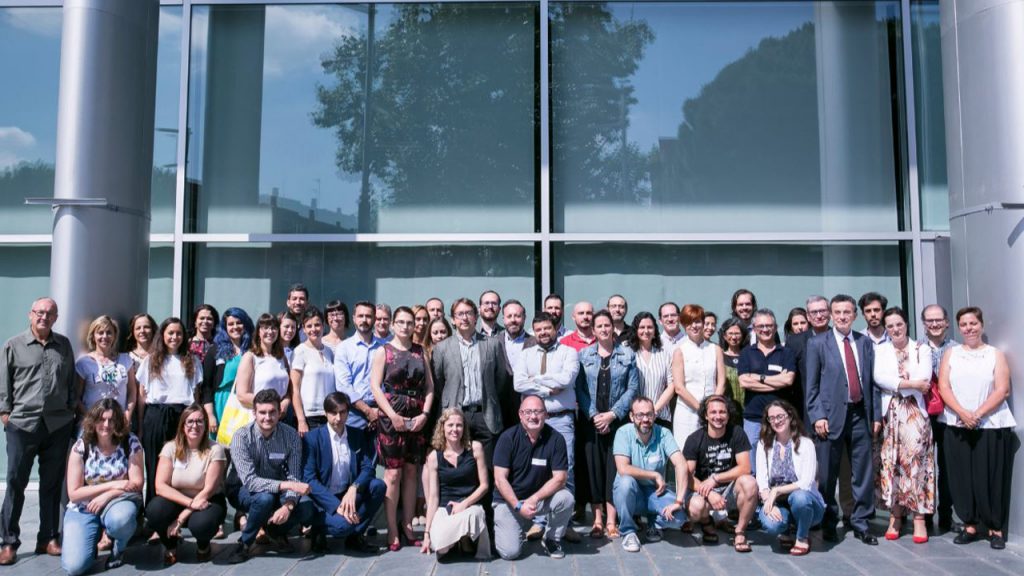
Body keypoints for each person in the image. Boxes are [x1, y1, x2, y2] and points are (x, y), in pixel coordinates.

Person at [0, 298, 77, 565]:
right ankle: (9, 542)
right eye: (39, 312)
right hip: (22, 423)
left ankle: (48, 538)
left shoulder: (64, 344)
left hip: (57, 424)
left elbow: (70, 380)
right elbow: (4, 382)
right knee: (15, 484)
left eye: (49, 313)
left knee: (52, 485)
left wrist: (69, 409)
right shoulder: (13, 345)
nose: (44, 317)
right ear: (30, 314)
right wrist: (5, 413)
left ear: (56, 318)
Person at [938, 306, 1017, 550]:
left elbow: (1002, 390)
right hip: (957, 423)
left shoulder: (995, 355)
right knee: (961, 477)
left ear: (981, 325)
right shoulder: (951, 353)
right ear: (958, 327)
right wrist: (963, 413)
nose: (969, 328)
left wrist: (978, 414)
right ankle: (970, 525)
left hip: (990, 425)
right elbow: (943, 387)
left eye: (973, 323)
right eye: (964, 324)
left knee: (991, 477)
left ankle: (995, 528)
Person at [804, 294, 879, 545]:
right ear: (831, 315)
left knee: (863, 472)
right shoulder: (818, 344)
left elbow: (872, 384)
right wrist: (817, 416)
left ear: (855, 315)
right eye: (838, 312)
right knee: (827, 474)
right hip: (830, 417)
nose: (842, 317)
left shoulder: (864, 343)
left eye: (847, 312)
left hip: (860, 415)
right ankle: (827, 521)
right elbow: (811, 386)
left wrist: (875, 416)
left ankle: (860, 521)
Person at [227, 389, 319, 563]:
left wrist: (289, 505)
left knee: (306, 507)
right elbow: (251, 482)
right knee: (264, 499)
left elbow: (293, 475)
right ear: (254, 413)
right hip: (242, 489)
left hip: (277, 490)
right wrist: (289, 486)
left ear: (279, 412)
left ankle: (275, 531)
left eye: (272, 412)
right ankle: (245, 542)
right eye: (262, 412)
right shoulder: (241, 436)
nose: (267, 417)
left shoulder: (291, 436)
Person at [370, 306, 435, 551]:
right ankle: (392, 529)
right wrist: (392, 415)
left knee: (411, 472)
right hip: (391, 417)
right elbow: (376, 387)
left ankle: (408, 525)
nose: (406, 326)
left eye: (410, 322)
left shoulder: (421, 352)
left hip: (417, 417)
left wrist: (425, 414)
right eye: (401, 322)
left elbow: (429, 387)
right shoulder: (383, 351)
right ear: (393, 324)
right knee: (392, 474)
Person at [513, 312, 581, 543]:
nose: (543, 333)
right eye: (538, 329)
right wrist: (546, 388)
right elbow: (518, 383)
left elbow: (567, 380)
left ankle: (565, 523)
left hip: (561, 419)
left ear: (555, 328)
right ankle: (539, 522)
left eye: (547, 328)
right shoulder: (526, 353)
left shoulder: (568, 352)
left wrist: (536, 380)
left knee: (566, 470)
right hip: (534, 420)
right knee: (538, 471)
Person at [873, 306, 934, 543]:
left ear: (906, 324)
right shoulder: (881, 350)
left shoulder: (922, 349)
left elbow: (925, 378)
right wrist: (908, 383)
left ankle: (919, 518)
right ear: (886, 329)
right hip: (891, 413)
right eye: (890, 326)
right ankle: (895, 516)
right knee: (891, 462)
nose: (895, 329)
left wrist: (897, 383)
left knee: (917, 464)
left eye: (899, 324)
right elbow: (879, 378)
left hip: (915, 414)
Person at [61, 399, 143, 575]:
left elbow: (136, 483)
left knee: (121, 520)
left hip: (119, 501)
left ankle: (118, 546)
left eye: (111, 420)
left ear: (118, 421)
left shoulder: (130, 442)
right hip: (83, 507)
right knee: (74, 567)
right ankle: (90, 541)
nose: (106, 425)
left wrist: (107, 495)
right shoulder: (81, 446)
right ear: (93, 420)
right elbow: (74, 494)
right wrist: (115, 483)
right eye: (101, 419)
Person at [577, 309, 639, 538]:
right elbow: (580, 389)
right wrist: (594, 415)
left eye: (607, 325)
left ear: (613, 328)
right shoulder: (583, 355)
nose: (603, 329)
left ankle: (612, 520)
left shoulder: (627, 355)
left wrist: (612, 414)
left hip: (617, 422)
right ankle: (597, 519)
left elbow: (633, 388)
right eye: (599, 326)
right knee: (593, 469)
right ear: (593, 330)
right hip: (591, 422)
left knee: (614, 470)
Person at [492, 395, 574, 560]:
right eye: (528, 412)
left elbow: (560, 478)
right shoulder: (507, 438)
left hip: (538, 501)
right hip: (509, 502)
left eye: (538, 412)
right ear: (520, 414)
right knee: (510, 553)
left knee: (566, 498)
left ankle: (552, 539)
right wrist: (518, 506)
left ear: (546, 414)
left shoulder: (556, 439)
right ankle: (513, 529)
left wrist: (534, 499)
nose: (533, 416)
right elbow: (500, 479)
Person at [431, 298, 510, 466]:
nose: (464, 318)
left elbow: (501, 380)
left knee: (488, 468)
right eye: (460, 314)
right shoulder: (442, 348)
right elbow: (438, 384)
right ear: (452, 319)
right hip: (455, 414)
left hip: (486, 415)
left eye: (468, 313)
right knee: (457, 466)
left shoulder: (493, 345)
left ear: (476, 317)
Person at [144, 404, 227, 565]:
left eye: (199, 421)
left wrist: (181, 519)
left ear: (205, 425)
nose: (194, 426)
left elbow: (209, 490)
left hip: (207, 500)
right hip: (179, 499)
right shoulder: (170, 448)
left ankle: (203, 546)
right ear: (182, 425)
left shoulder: (215, 449)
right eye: (190, 422)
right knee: (155, 511)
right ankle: (170, 544)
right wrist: (189, 503)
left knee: (202, 524)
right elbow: (160, 486)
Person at [133, 317, 204, 505]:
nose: (175, 337)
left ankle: (177, 510)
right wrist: (140, 424)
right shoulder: (151, 360)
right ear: (162, 335)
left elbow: (195, 396)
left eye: (179, 333)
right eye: (170, 333)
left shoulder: (192, 361)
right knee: (154, 464)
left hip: (183, 415)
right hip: (156, 415)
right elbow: (142, 395)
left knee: (180, 463)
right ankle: (154, 511)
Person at [302, 392, 384, 553]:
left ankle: (355, 536)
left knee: (378, 486)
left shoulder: (356, 434)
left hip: (348, 494)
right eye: (333, 413)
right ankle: (319, 529)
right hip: (324, 500)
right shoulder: (312, 439)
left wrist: (354, 488)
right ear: (326, 413)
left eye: (343, 412)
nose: (338, 418)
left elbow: (368, 467)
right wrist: (336, 505)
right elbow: (309, 479)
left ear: (348, 412)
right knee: (342, 527)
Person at [682, 395, 758, 552]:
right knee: (696, 507)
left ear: (728, 415)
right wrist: (709, 493)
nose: (718, 416)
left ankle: (740, 532)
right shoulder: (694, 439)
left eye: (722, 412)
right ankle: (706, 522)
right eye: (713, 412)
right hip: (703, 491)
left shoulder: (737, 433)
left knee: (750, 483)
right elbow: (687, 476)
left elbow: (745, 468)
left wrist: (715, 479)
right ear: (706, 415)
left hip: (729, 488)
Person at [612, 396, 686, 553]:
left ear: (654, 415)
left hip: (655, 492)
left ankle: (655, 524)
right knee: (625, 483)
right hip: (632, 492)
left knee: (679, 518)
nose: (645, 419)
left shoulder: (664, 433)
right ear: (632, 416)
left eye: (649, 414)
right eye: (640, 415)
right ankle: (628, 531)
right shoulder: (623, 433)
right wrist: (654, 475)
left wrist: (678, 501)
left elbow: (681, 464)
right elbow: (622, 468)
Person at [755, 400, 824, 556]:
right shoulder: (763, 444)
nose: (776, 421)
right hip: (779, 502)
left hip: (808, 504)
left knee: (799, 498)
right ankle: (786, 530)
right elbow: (762, 480)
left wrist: (777, 491)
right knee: (771, 524)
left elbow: (806, 483)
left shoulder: (806, 444)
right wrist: (768, 501)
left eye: (780, 416)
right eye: (771, 418)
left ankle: (802, 537)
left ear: (790, 416)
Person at [420, 407, 491, 559]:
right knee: (441, 548)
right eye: (450, 425)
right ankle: (459, 537)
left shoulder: (475, 448)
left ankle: (461, 536)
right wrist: (426, 533)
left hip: (469, 507)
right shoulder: (434, 456)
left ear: (464, 428)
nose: (455, 429)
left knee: (476, 514)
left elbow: (484, 485)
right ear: (442, 427)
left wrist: (464, 504)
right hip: (445, 509)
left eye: (459, 425)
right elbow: (433, 498)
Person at [737, 308, 795, 468]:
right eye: (761, 326)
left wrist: (758, 378)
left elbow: (788, 380)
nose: (765, 329)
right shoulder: (747, 353)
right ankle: (755, 491)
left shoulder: (786, 353)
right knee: (753, 456)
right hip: (753, 417)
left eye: (769, 326)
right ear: (754, 329)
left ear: (775, 327)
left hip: (780, 416)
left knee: (781, 454)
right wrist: (776, 381)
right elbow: (744, 382)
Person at [919, 304, 956, 532]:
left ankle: (946, 514)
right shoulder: (916, 348)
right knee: (923, 465)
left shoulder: (957, 349)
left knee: (945, 465)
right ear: (924, 324)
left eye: (938, 320)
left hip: (948, 415)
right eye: (929, 320)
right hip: (922, 414)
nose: (934, 324)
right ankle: (924, 512)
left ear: (946, 322)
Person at [672, 304, 726, 449]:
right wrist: (701, 409)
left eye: (697, 321)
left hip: (713, 413)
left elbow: (721, 381)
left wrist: (713, 407)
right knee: (686, 452)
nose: (694, 326)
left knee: (711, 451)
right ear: (683, 325)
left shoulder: (715, 349)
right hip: (687, 411)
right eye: (689, 323)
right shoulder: (680, 351)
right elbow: (679, 387)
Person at [335, 301, 385, 433]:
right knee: (352, 453)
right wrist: (367, 411)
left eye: (368, 316)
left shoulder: (385, 347)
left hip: (381, 410)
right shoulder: (344, 348)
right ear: (353, 318)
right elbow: (343, 386)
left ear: (374, 319)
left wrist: (379, 410)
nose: (364, 320)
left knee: (379, 453)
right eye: (360, 316)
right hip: (353, 412)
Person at [203, 308, 254, 436]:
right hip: (222, 404)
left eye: (239, 323)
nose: (235, 327)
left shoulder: (254, 350)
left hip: (247, 402)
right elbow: (207, 387)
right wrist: (210, 415)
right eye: (231, 324)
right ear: (225, 327)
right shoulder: (215, 350)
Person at [76, 315, 135, 423]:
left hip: (118, 423)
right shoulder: (83, 363)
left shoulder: (126, 360)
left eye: (109, 332)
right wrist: (91, 418)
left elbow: (132, 392)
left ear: (114, 336)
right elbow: (76, 397)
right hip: (91, 423)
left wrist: (127, 415)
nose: (105, 336)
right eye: (100, 332)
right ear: (93, 336)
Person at [291, 307, 337, 436]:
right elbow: (294, 388)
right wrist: (301, 420)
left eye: (317, 325)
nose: (313, 329)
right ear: (304, 329)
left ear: (323, 326)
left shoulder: (328, 351)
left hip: (329, 414)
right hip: (309, 416)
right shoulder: (300, 351)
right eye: (309, 326)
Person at [628, 311, 675, 428]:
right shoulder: (628, 353)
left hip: (660, 416)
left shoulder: (664, 353)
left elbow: (671, 385)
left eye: (650, 327)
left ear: (655, 331)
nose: (646, 331)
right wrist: (642, 412)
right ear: (636, 330)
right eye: (642, 327)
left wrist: (653, 410)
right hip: (636, 418)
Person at [235, 313, 291, 410]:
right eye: (265, 328)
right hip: (259, 415)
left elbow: (288, 391)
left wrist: (285, 402)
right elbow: (242, 395)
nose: (270, 331)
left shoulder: (282, 357)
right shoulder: (250, 357)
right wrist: (270, 406)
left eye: (274, 328)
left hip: (282, 416)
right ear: (258, 332)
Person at [719, 318, 747, 420]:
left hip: (747, 410)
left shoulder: (749, 355)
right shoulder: (720, 356)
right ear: (724, 336)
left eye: (737, 333)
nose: (734, 337)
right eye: (730, 333)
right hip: (727, 410)